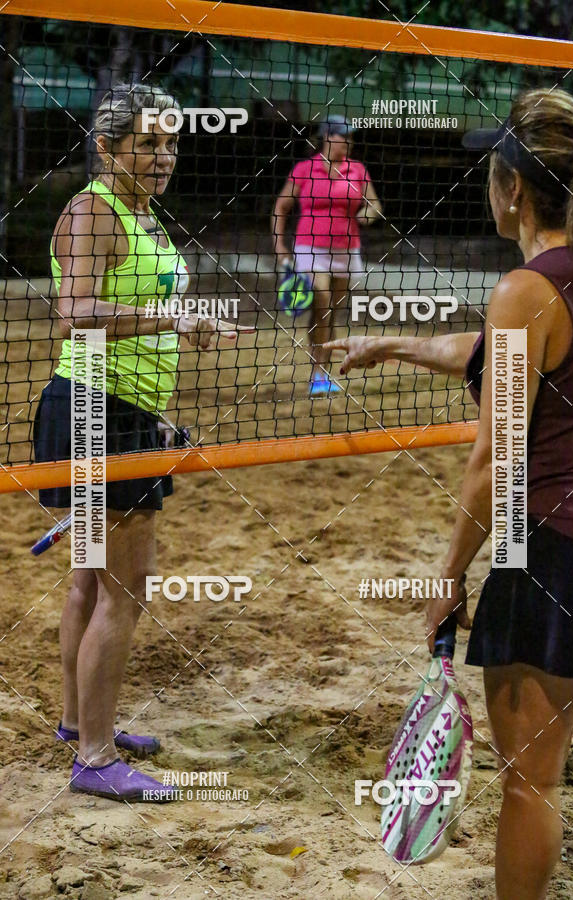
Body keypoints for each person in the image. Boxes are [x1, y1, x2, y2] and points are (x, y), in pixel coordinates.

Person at [325, 88, 573, 898]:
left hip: (550, 553)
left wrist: (448, 572)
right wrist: (394, 343)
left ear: (512, 189)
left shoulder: (527, 285)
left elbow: (493, 460)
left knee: (531, 781)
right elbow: (498, 351)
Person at [35, 83, 247, 802]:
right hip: (96, 408)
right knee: (124, 591)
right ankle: (95, 759)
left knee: (92, 582)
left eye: (172, 142)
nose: (164, 156)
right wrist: (170, 324)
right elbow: (75, 315)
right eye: (148, 143)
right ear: (106, 146)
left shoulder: (143, 215)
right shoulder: (91, 210)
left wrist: (183, 324)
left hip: (121, 409)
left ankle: (79, 724)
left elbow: (139, 309)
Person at [272, 115, 382, 396]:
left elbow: (374, 205)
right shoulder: (305, 169)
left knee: (331, 312)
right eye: (343, 135)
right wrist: (280, 247)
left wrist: (367, 215)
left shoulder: (357, 169)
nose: (349, 141)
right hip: (310, 247)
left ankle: (322, 370)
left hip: (346, 249)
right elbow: (280, 208)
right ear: (327, 137)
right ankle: (318, 374)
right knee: (322, 301)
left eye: (351, 137)